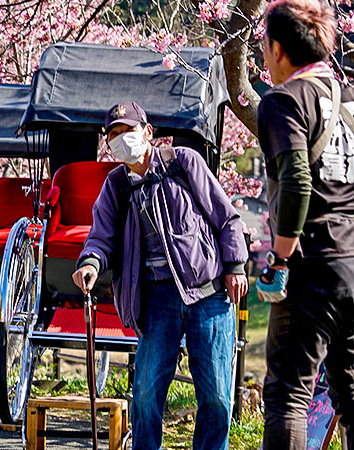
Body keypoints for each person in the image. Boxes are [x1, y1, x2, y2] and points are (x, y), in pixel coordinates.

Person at [71, 101, 248, 450]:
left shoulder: (182, 162)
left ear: (148, 132)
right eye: (113, 135)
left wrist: (236, 266)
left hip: (207, 293)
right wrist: (90, 263)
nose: (121, 140)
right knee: (147, 393)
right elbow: (101, 236)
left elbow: (226, 218)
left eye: (128, 131)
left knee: (215, 395)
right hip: (157, 299)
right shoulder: (116, 185)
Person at [257, 1, 354, 447]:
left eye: (262, 45)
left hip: (311, 263)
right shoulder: (347, 101)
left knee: (287, 395)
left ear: (279, 48)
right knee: (350, 390)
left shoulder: (283, 101)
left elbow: (296, 180)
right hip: (351, 262)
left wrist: (280, 256)